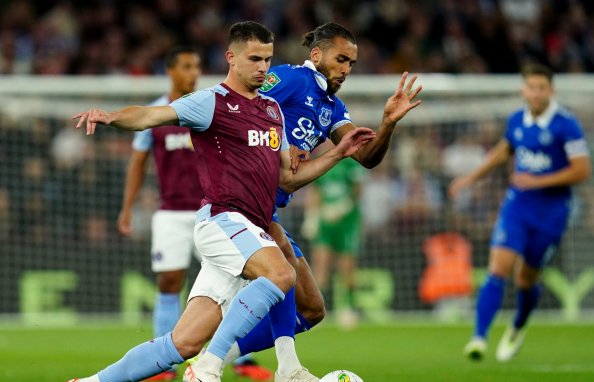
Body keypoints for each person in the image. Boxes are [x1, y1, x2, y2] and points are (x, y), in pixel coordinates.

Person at [70, 21, 375, 382]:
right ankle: (211, 367)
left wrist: (338, 153)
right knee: (281, 273)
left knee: (181, 343)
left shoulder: (272, 112)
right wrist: (112, 116)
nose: (263, 67)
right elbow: (153, 116)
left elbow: (289, 179)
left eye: (267, 59)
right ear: (231, 58)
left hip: (250, 228)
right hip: (223, 219)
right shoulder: (212, 101)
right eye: (255, 59)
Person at [224, 22, 423, 365]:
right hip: (240, 206)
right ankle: (272, 367)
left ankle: (218, 358)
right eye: (341, 59)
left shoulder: (333, 108)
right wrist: (278, 145)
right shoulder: (290, 79)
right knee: (259, 287)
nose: (346, 69)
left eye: (352, 64)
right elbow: (237, 108)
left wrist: (387, 123)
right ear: (316, 54)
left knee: (313, 309)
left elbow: (365, 157)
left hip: (268, 210)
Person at [117, 46, 272, 381]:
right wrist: (127, 207)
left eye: (197, 65)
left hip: (219, 213)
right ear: (170, 71)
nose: (193, 72)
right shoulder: (160, 112)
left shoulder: (212, 105)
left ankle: (241, 359)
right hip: (171, 212)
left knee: (241, 283)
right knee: (169, 281)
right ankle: (165, 366)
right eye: (186, 66)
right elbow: (138, 162)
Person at [449, 63, 591, 362]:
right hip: (518, 205)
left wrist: (538, 180)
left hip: (552, 212)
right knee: (498, 267)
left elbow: (582, 170)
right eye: (532, 87)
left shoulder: (566, 125)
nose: (536, 93)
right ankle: (479, 337)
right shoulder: (516, 120)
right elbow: (503, 151)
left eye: (542, 88)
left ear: (551, 91)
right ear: (523, 90)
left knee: (526, 277)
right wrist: (469, 179)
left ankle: (518, 326)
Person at [303, 155, 365, 329]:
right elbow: (316, 191)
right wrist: (312, 217)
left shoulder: (350, 163)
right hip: (325, 221)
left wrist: (344, 206)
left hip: (347, 221)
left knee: (347, 268)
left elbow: (358, 191)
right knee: (321, 265)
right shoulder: (320, 160)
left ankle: (348, 308)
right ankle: (319, 311)